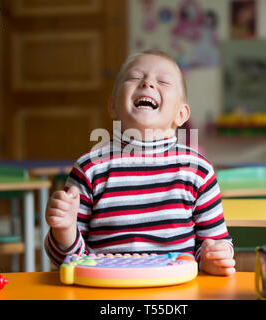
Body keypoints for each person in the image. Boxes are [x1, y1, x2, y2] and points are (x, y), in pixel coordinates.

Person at [44, 50, 235, 276]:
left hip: (176, 293)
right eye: (135, 77)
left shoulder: (198, 171)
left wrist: (214, 258)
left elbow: (214, 245)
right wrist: (64, 229)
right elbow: (67, 260)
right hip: (105, 292)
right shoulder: (89, 168)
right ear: (113, 106)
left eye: (163, 80)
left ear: (181, 114)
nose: (147, 83)